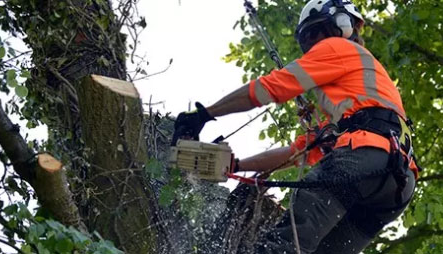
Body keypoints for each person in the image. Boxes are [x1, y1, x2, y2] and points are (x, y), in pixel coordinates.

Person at [173, 0, 419, 253]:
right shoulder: (364, 101)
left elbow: (268, 88)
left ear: (341, 26)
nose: (315, 45)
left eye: (317, 33)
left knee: (284, 246)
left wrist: (203, 114)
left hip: (365, 158)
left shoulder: (336, 47)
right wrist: (236, 166)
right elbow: (297, 152)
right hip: (398, 184)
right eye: (309, 38)